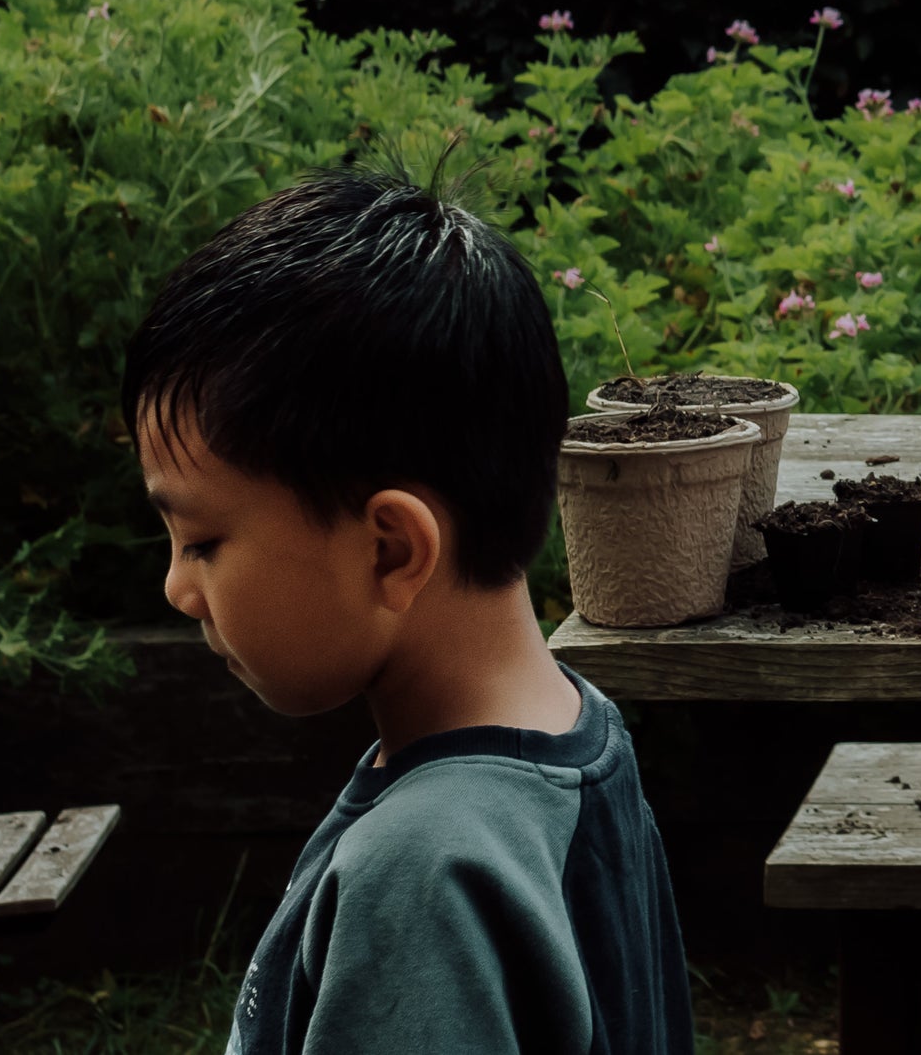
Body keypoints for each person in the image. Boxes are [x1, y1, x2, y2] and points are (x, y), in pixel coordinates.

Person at [124, 170, 693, 1055]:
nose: (177, 587)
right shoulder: (577, 734)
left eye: (201, 542)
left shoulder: (422, 870)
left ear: (390, 549)